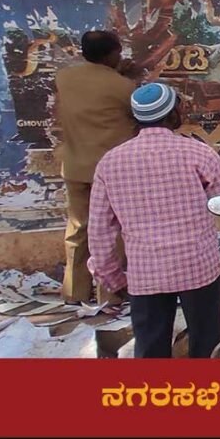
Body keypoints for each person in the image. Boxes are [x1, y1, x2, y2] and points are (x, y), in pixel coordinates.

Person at [87, 83, 220, 358]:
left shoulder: (110, 162)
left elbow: (99, 230)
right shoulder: (198, 153)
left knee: (150, 348)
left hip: (145, 273)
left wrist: (113, 278)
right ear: (175, 113)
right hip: (198, 267)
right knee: (208, 344)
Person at [53, 30, 137, 304]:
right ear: (113, 54)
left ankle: (74, 291)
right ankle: (109, 293)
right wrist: (127, 76)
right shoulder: (123, 87)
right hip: (111, 173)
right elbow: (136, 112)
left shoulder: (64, 79)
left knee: (77, 230)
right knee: (111, 233)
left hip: (76, 166)